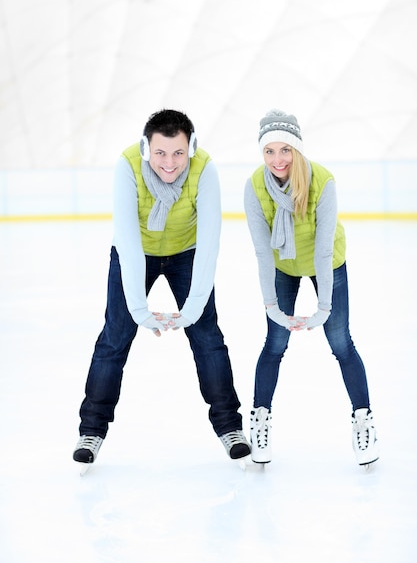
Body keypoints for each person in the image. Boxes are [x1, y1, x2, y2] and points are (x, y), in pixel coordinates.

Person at [73, 109, 250, 466]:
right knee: (116, 336)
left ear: (191, 148)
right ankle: (91, 431)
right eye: (160, 153)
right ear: (146, 149)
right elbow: (126, 237)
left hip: (187, 253)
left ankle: (230, 427)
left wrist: (194, 305)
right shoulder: (127, 167)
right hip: (136, 250)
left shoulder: (205, 169)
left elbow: (210, 240)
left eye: (179, 153)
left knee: (207, 337)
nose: (170, 163)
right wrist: (140, 310)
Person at [244, 108, 379, 467]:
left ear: (298, 150)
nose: (277, 159)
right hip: (283, 265)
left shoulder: (323, 181)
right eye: (269, 151)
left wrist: (323, 307)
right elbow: (261, 250)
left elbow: (322, 248)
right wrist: (271, 305)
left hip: (326, 263)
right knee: (275, 343)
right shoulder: (256, 185)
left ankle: (364, 420)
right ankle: (259, 420)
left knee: (341, 342)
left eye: (285, 150)